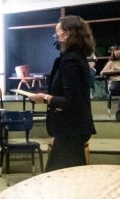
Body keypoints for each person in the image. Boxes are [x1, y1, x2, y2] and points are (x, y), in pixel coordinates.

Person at [29, 15, 96, 171]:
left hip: (71, 128)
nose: (55, 36)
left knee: (58, 177)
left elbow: (73, 101)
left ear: (67, 34)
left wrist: (44, 98)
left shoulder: (71, 60)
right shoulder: (76, 57)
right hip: (73, 128)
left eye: (57, 32)